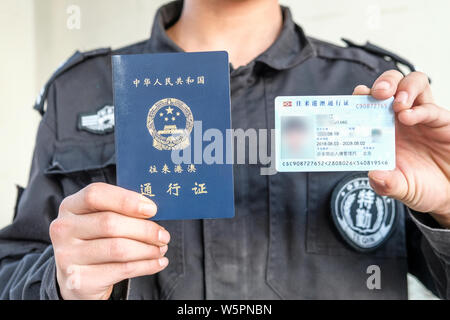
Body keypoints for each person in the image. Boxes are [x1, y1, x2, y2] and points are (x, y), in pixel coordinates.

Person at [0, 0, 449, 300]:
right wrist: (58, 282)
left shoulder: (374, 92)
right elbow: (10, 275)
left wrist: (447, 207)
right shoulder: (79, 92)